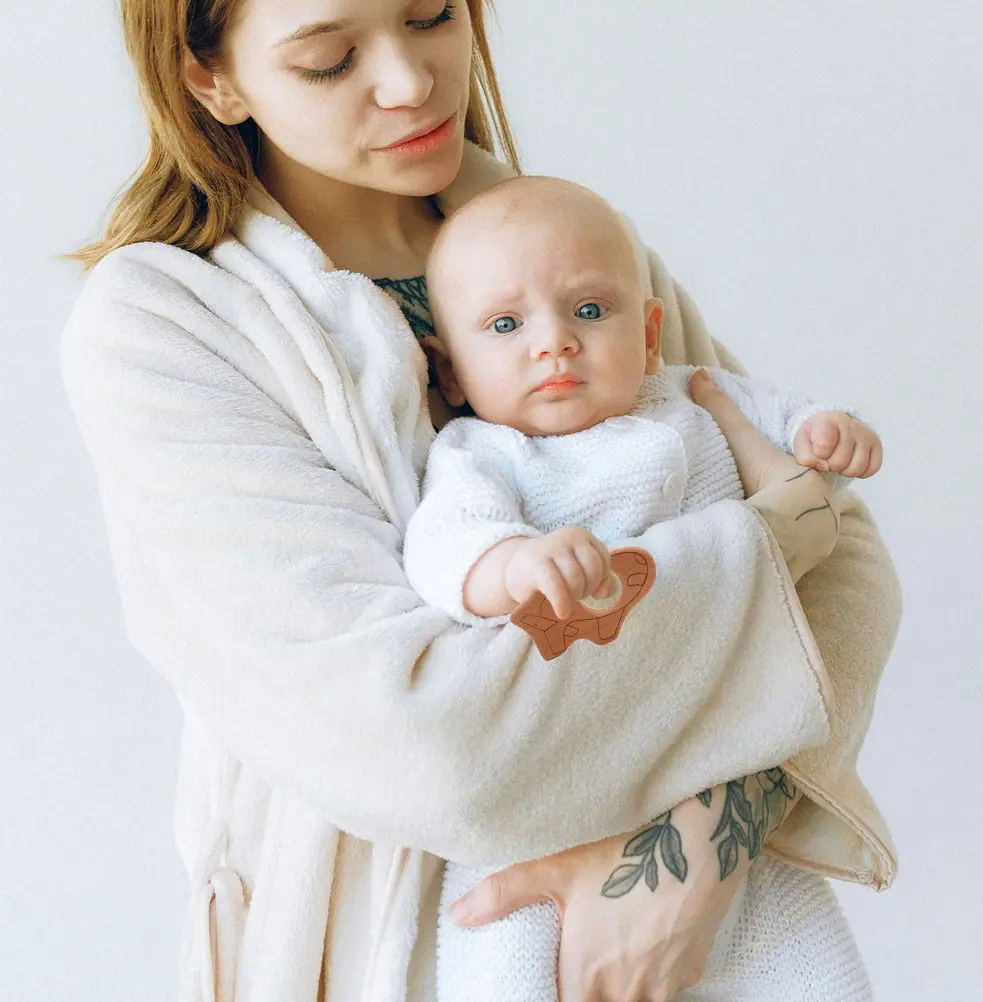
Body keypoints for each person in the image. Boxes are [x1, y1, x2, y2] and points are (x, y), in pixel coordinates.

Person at [58, 2, 900, 1001]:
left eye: (431, 15)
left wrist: (702, 849)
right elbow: (427, 746)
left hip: (710, 930)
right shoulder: (168, 325)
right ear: (212, 78)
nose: (412, 82)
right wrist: (759, 560)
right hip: (390, 947)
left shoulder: (561, 238)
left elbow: (848, 570)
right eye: (330, 60)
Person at [401, 175, 882, 1001]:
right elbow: (445, 546)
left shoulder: (692, 395)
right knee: (517, 952)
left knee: (787, 956)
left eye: (589, 311)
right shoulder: (484, 454)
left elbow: (791, 429)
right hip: (569, 768)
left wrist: (824, 431)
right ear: (450, 371)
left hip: (715, 756)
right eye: (507, 326)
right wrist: (514, 564)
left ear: (650, 333)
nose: (555, 343)